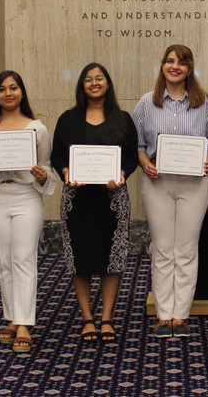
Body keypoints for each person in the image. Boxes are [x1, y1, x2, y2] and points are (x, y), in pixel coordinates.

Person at [133, 44, 208, 338]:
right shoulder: (148, 102)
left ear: (189, 69)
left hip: (194, 185)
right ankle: (163, 315)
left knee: (185, 250)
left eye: (182, 63)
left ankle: (180, 316)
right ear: (162, 66)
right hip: (157, 182)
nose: (175, 66)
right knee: (161, 249)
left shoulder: (203, 103)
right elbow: (137, 145)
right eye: (170, 61)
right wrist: (145, 164)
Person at [0, 70, 54, 352]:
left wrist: (43, 176)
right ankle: (11, 317)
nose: (8, 93)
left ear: (21, 92)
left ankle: (24, 324)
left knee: (24, 259)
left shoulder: (37, 129)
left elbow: (47, 170)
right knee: (3, 260)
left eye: (13, 88)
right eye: (2, 89)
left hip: (26, 196)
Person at [51, 63, 138, 343]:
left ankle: (107, 317)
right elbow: (57, 155)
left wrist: (123, 172)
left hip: (112, 200)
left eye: (99, 78)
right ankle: (88, 317)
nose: (94, 83)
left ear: (108, 83)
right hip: (77, 200)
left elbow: (133, 155)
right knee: (80, 260)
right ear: (82, 85)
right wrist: (65, 172)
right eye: (88, 79)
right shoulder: (68, 119)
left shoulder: (122, 118)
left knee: (111, 259)